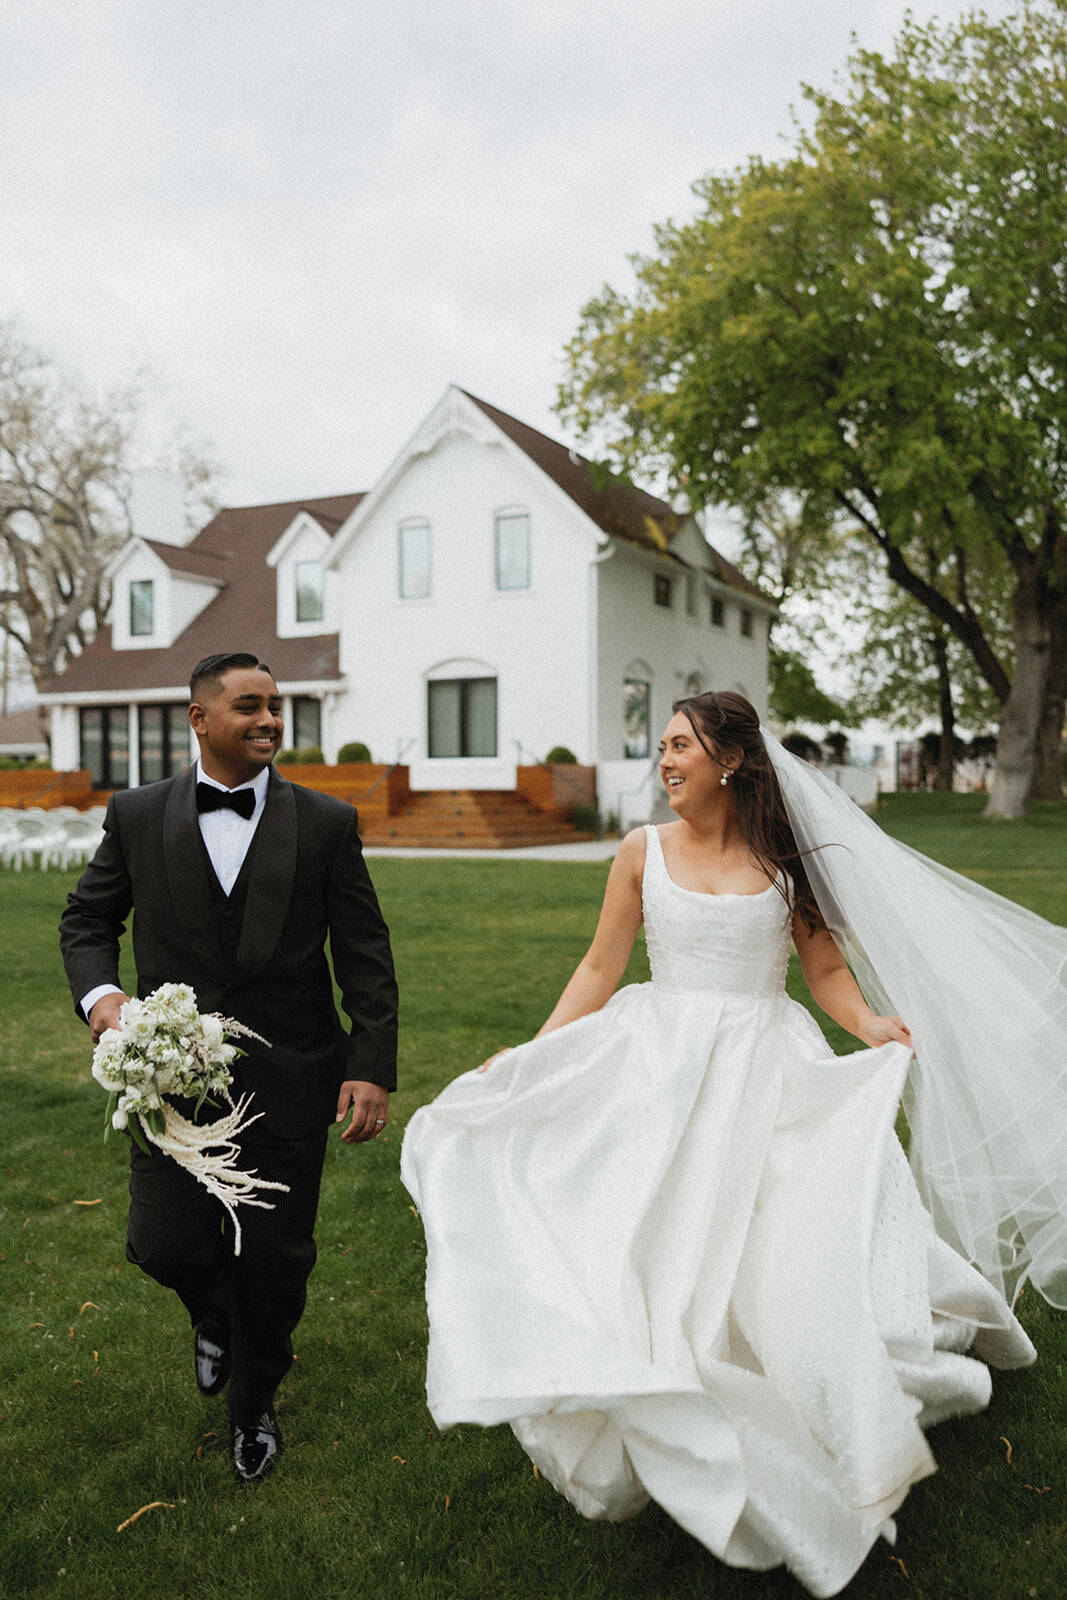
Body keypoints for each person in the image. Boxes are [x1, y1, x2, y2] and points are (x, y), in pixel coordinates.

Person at [400, 690, 1066, 1598]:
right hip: (659, 1060)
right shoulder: (640, 853)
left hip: (765, 1057)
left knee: (787, 1226)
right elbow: (601, 965)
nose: (665, 759)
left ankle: (803, 1375)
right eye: (663, 745)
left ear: (732, 761)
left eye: (681, 745)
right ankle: (664, 1377)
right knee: (654, 1224)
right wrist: (534, 1049)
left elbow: (823, 967)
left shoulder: (783, 859)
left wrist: (869, 1023)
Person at [60, 652, 398, 1483]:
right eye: (249, 706)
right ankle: (213, 1315)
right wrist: (105, 1005)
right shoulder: (137, 815)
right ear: (200, 719)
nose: (270, 720)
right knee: (163, 1241)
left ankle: (253, 1408)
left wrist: (371, 1064)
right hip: (170, 1087)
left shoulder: (323, 822)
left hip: (294, 1074)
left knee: (275, 1257)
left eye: (276, 707)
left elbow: (364, 954)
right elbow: (85, 920)